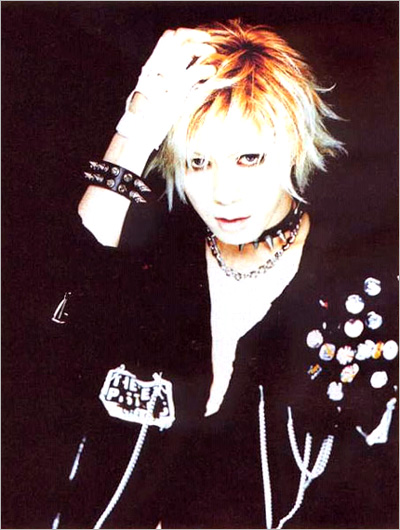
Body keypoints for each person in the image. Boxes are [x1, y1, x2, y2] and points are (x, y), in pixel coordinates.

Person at [42, 19, 397, 529]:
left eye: (249, 158)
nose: (224, 193)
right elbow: (46, 328)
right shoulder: (152, 271)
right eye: (198, 162)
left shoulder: (361, 301)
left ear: (296, 147)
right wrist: (135, 130)